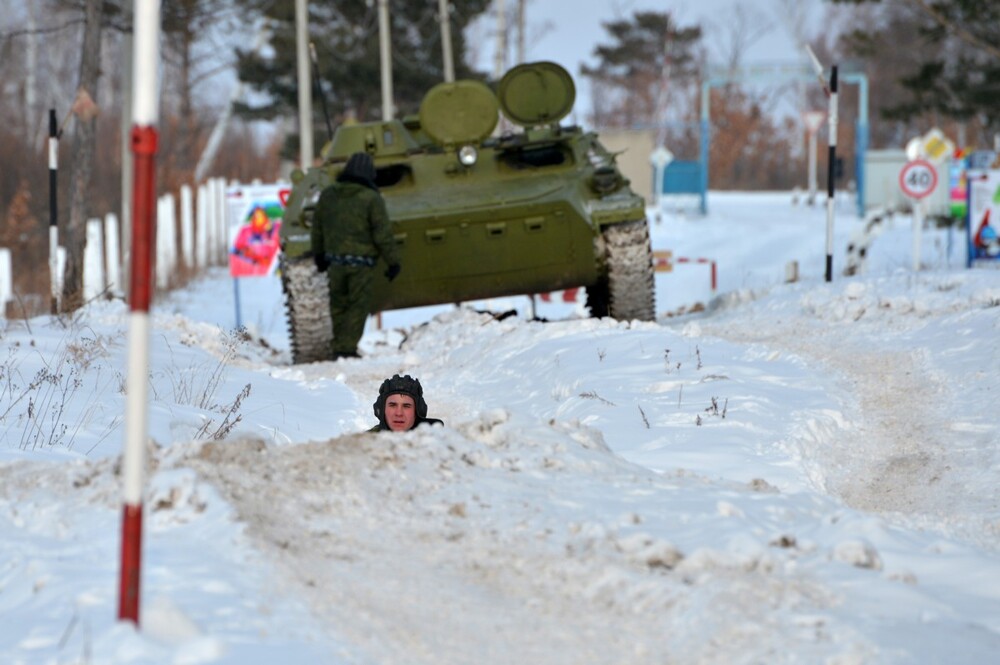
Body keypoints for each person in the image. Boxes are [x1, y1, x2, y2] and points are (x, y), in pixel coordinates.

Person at [311, 152, 402, 359]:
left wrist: (319, 255)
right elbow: (382, 234)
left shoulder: (328, 195)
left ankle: (339, 346)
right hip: (361, 265)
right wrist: (393, 262)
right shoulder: (370, 198)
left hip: (334, 263)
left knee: (338, 305)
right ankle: (346, 349)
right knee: (358, 306)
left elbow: (317, 228)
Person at [369, 374, 444, 432]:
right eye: (392, 405)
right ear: (381, 409)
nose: (399, 413)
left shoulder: (436, 444)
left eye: (406, 406)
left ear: (418, 411)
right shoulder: (364, 444)